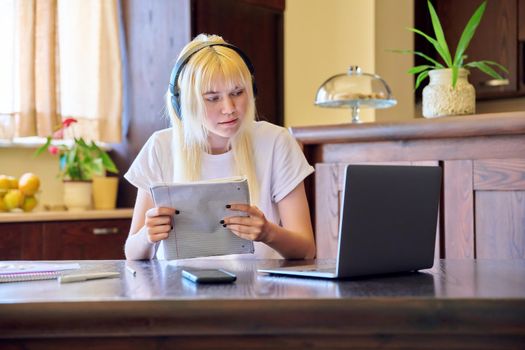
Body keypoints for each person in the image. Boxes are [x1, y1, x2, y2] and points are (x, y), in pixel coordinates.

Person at [124, 34, 315, 260]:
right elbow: (132, 253)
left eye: (237, 93)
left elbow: (307, 250)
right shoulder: (160, 146)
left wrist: (268, 233)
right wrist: (148, 235)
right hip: (178, 291)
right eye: (212, 98)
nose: (229, 108)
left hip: (258, 290)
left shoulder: (277, 142)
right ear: (184, 103)